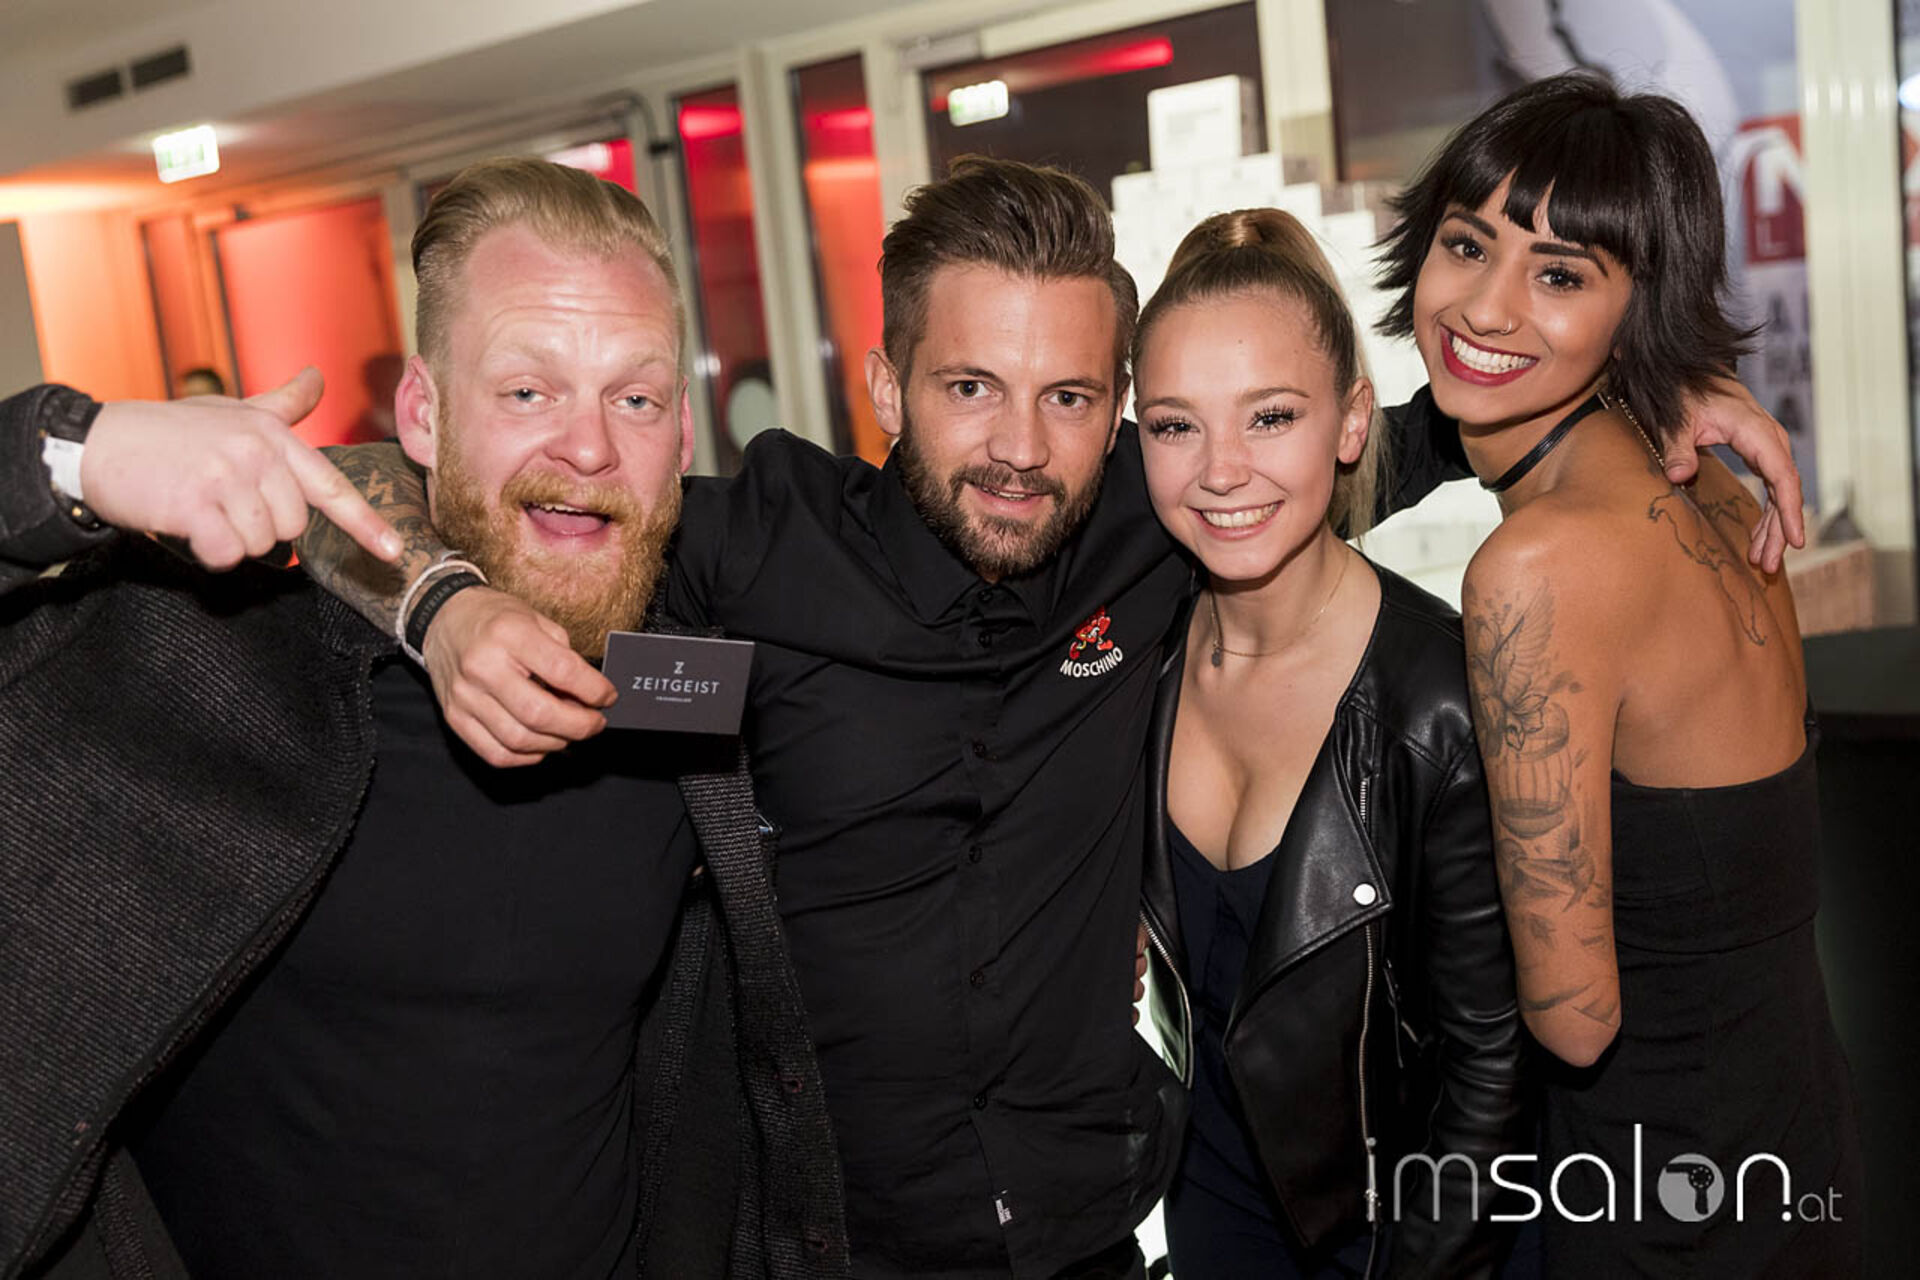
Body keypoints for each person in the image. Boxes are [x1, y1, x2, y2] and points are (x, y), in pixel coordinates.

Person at [300, 156, 1808, 1278]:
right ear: (886, 384)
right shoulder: (754, 547)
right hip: (836, 1248)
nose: (1022, 448)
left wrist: (1654, 406)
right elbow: (373, 490)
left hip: (1098, 1240)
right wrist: (443, 601)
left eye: (1075, 398)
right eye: (970, 386)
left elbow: (1383, 431)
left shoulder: (1165, 517)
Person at [0, 158, 845, 1280]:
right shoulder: (213, 647)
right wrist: (73, 452)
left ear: (683, 434)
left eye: (633, 398)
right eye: (527, 392)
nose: (590, 446)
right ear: (423, 412)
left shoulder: (699, 672)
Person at [1375, 72, 1862, 1273]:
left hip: (1651, 1191)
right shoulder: (1712, 478)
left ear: (1640, 307)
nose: (1486, 304)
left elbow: (1576, 1016)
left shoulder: (1537, 568)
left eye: (1560, 275)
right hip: (1793, 1140)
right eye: (1467, 243)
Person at [1132, 209, 1526, 1278]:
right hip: (1205, 1218)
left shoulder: (1440, 700)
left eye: (1270, 416)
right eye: (1174, 426)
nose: (1221, 470)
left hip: (1397, 1241)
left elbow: (1489, 1076)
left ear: (1351, 422)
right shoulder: (1136, 658)